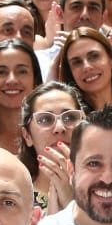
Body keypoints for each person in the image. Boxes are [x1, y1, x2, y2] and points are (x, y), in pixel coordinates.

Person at [19, 81, 84, 213]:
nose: (60, 128)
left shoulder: (103, 187)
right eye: (45, 119)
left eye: (70, 117)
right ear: (27, 136)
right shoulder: (15, 194)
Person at [0, 37, 43, 151]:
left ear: (35, 80)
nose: (12, 80)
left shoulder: (50, 132)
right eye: (1, 72)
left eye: (22, 71)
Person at [56, 26, 112, 111]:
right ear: (70, 72)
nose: (87, 67)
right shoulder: (70, 119)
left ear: (111, 60)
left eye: (94, 56)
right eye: (77, 62)